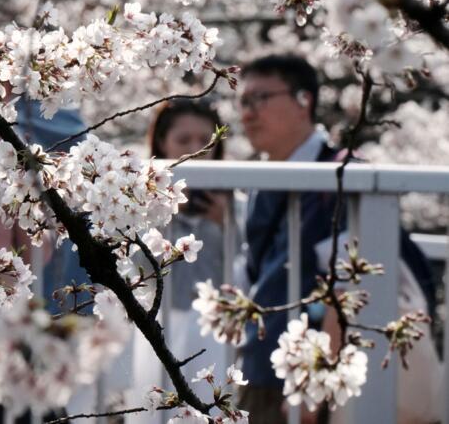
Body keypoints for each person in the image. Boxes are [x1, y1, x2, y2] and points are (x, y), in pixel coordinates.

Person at [235, 54, 437, 424]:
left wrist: (314, 381)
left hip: (313, 386)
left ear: (303, 101)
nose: (248, 113)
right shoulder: (261, 182)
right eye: (243, 102)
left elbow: (351, 287)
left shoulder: (340, 176)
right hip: (263, 371)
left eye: (260, 99)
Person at [127, 99, 233, 420]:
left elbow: (244, 270)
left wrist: (223, 223)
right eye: (184, 141)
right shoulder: (143, 197)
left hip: (214, 329)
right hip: (161, 325)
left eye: (204, 141)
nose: (196, 149)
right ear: (162, 142)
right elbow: (135, 266)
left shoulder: (233, 197)